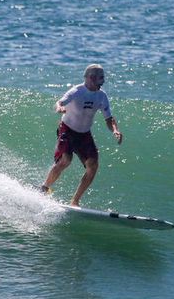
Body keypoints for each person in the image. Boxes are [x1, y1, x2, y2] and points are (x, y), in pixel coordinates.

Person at [40, 64, 122, 207]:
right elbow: (59, 102)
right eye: (100, 78)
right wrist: (60, 107)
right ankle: (44, 188)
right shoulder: (77, 91)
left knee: (93, 165)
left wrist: (114, 130)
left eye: (103, 78)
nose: (103, 82)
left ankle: (74, 201)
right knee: (66, 159)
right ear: (90, 78)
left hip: (84, 134)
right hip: (67, 130)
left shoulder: (102, 96)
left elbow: (109, 119)